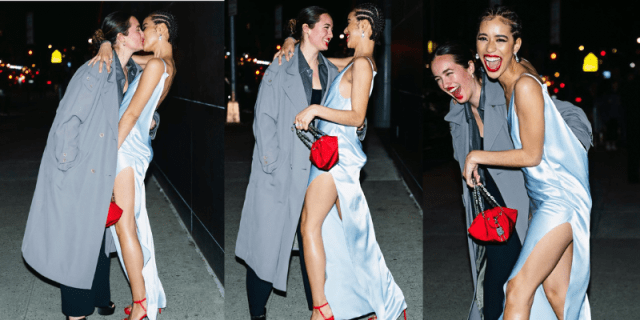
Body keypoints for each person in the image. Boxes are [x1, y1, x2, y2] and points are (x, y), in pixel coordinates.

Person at [430, 41, 592, 320]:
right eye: (438, 78)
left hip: (526, 214)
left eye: (449, 73)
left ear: (470, 66)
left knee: (546, 294)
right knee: (499, 294)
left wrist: (568, 155)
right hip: (492, 220)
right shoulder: (459, 116)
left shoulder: (508, 93)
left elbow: (567, 114)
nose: (445, 83)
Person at [235, 6, 367, 319]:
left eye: (333, 28)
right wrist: (272, 163)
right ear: (306, 29)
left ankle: (318, 306)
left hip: (320, 169)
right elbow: (263, 119)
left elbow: (345, 117)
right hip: (282, 169)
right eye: (325, 27)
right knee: (267, 242)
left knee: (315, 235)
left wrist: (358, 127)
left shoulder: (333, 72)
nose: (331, 34)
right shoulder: (281, 67)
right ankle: (257, 311)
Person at [21, 11, 144, 320]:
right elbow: (67, 120)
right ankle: (76, 314)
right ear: (121, 36)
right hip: (82, 168)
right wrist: (70, 168)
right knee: (77, 244)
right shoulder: (96, 70)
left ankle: (101, 297)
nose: (142, 32)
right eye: (138, 28)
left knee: (97, 237)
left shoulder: (129, 71)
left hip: (105, 168)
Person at [293, 4, 407, 320]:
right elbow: (321, 62)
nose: (344, 30)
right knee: (352, 237)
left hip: (336, 158)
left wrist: (315, 110)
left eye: (349, 24)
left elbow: (356, 115)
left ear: (365, 27)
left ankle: (322, 309)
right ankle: (379, 305)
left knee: (309, 225)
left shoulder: (363, 65)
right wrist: (294, 44)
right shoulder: (358, 62)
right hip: (332, 154)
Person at [93, 10, 178, 320]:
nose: (142, 33)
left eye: (146, 28)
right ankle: (147, 298)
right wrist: (105, 44)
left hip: (124, 147)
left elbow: (129, 115)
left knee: (124, 225)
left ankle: (141, 305)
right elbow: (122, 56)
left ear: (163, 31)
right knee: (135, 225)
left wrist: (105, 154)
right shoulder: (163, 64)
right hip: (133, 148)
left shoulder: (156, 64)